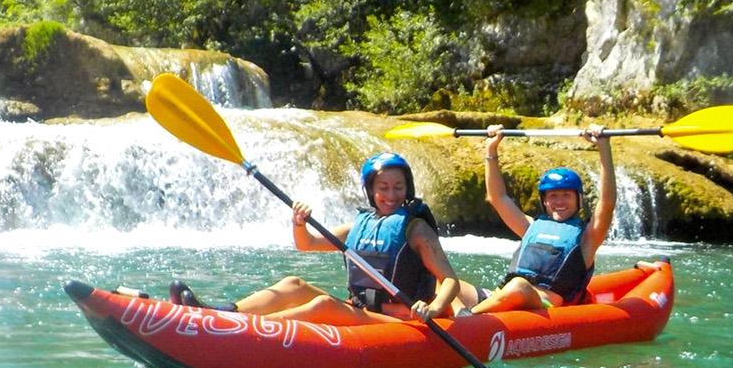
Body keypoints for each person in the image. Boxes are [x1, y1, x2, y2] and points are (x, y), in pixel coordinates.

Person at [171, 152, 460, 325]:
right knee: (292, 284)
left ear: (407, 188)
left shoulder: (416, 229)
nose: (391, 195)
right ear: (371, 190)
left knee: (323, 305)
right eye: (383, 187)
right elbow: (305, 243)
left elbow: (450, 281)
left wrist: (433, 308)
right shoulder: (359, 225)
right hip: (361, 311)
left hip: (400, 320)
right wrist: (298, 222)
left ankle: (242, 328)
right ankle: (222, 313)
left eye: (398, 187)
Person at [457, 123, 615, 314]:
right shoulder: (530, 226)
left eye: (567, 195)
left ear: (578, 199)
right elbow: (497, 197)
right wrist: (491, 148)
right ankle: (455, 318)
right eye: (553, 196)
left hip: (541, 304)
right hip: (501, 297)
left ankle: (467, 318)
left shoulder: (588, 238)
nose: (559, 202)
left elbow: (607, 202)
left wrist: (603, 147)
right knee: (445, 284)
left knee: (518, 287)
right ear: (544, 201)